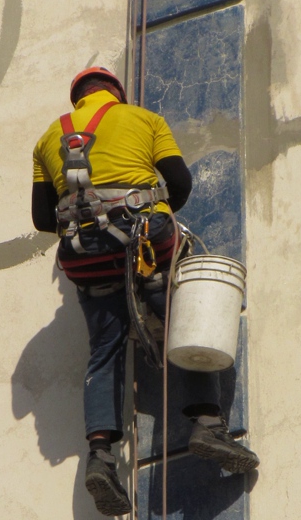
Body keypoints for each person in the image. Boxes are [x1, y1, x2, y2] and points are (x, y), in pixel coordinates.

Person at [30, 67, 259, 516]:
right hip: (143, 238)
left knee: (105, 350)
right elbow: (181, 184)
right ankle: (207, 423)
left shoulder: (46, 140)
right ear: (114, 93)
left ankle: (101, 456)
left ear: (78, 100)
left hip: (85, 255)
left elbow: (43, 219)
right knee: (179, 320)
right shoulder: (143, 119)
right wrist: (144, 208)